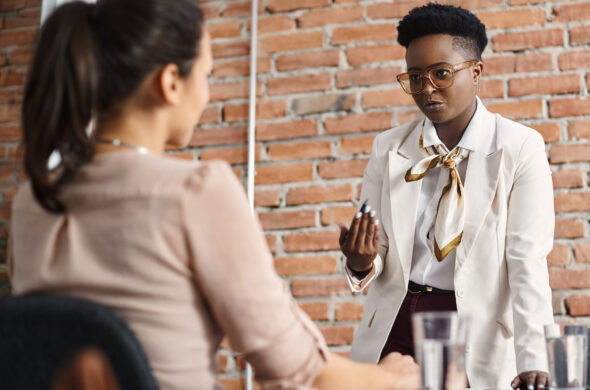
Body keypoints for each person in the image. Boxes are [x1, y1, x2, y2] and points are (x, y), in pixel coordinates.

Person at [7, 1, 418, 389]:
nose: (207, 94)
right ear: (170, 83)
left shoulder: (32, 201)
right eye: (206, 76)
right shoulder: (195, 192)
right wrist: (394, 377)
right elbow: (299, 373)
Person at [339, 4, 554, 390]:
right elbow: (378, 248)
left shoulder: (520, 147)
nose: (427, 88)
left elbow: (527, 260)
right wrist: (360, 262)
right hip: (397, 324)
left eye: (441, 73)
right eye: (415, 77)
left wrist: (535, 355)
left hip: (473, 331)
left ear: (476, 72)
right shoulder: (388, 148)